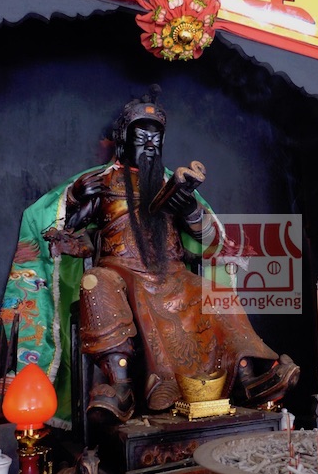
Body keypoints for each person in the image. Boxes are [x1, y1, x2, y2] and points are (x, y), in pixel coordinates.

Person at [44, 86, 300, 424]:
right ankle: (120, 385)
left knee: (213, 290)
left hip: (171, 274)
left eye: (156, 140)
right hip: (121, 271)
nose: (150, 145)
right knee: (96, 281)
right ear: (123, 140)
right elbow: (61, 226)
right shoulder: (104, 182)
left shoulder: (168, 184)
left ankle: (247, 375)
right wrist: (76, 198)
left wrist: (190, 209)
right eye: (141, 138)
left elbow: (210, 240)